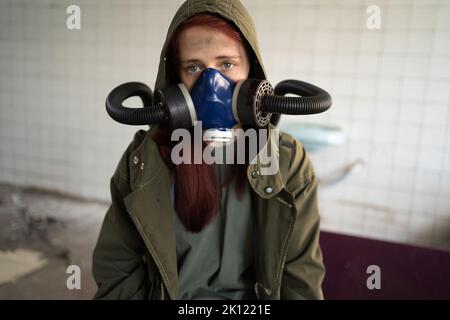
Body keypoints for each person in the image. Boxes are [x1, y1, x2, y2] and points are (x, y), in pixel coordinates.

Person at [92, 0, 325, 300]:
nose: (212, 84)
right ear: (176, 83)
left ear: (251, 72)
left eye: (227, 64)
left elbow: (300, 277)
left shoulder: (288, 162)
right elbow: (118, 270)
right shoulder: (144, 162)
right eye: (194, 67)